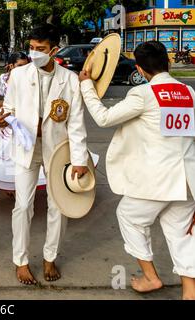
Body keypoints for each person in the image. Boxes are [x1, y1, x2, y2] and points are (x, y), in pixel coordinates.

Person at [79, 41, 195, 300]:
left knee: (129, 216)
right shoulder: (189, 92)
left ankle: (151, 278)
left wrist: (86, 85)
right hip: (187, 183)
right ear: (169, 62)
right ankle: (190, 292)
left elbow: (104, 118)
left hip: (157, 181)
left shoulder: (143, 94)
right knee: (182, 234)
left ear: (140, 70)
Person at [0, 24, 89, 285]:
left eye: (41, 49)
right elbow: (9, 108)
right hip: (26, 148)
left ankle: (50, 256)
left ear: (54, 50)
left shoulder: (69, 80)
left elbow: (76, 123)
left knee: (58, 206)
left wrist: (79, 160)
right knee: (23, 205)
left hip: (57, 150)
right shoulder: (19, 75)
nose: (34, 54)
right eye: (32, 48)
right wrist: (2, 120)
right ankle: (21, 261)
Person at [0, 52, 46, 192]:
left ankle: (21, 184)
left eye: (26, 65)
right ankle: (6, 183)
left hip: (23, 116)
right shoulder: (5, 78)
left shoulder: (31, 80)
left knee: (18, 149)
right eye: (19, 66)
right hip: (9, 114)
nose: (23, 69)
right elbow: (7, 100)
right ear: (11, 66)